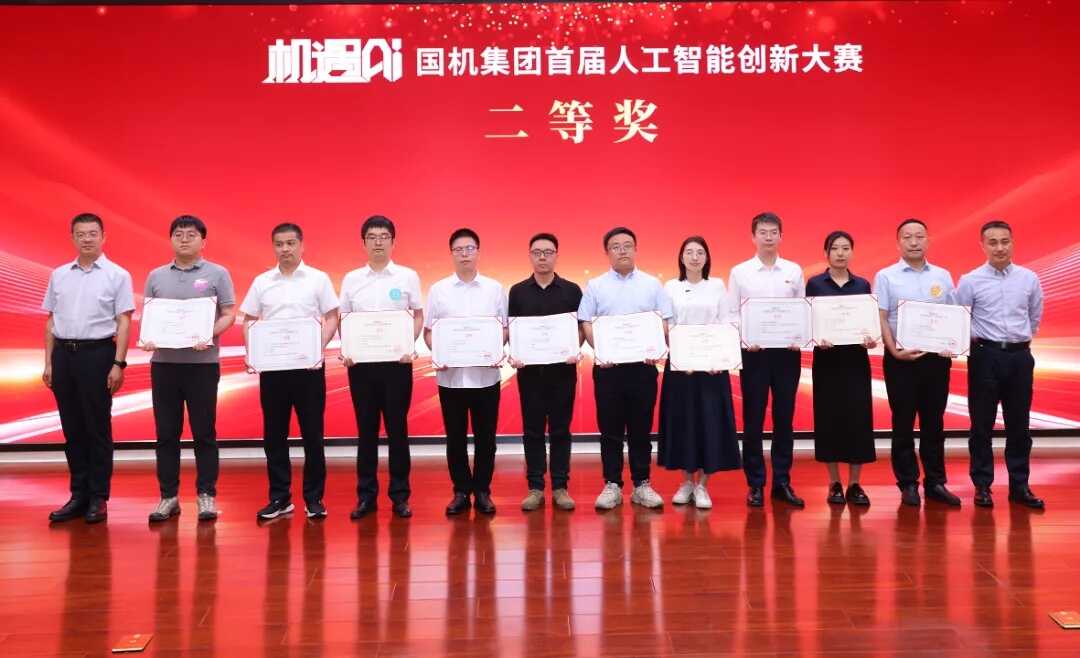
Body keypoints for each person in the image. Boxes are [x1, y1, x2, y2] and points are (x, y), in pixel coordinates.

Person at [239, 222, 339, 520]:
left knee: (313, 434)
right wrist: (253, 352)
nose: (285, 249)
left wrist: (317, 346)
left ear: (301, 245)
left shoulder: (318, 279)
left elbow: (332, 316)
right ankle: (280, 498)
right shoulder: (262, 282)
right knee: (274, 435)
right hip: (273, 369)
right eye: (279, 244)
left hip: (308, 368)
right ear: (274, 247)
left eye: (291, 243)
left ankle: (314, 498)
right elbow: (249, 319)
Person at [42, 212, 135, 524]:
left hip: (97, 354)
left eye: (92, 233)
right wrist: (48, 362)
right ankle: (78, 495)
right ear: (72, 238)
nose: (87, 239)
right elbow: (51, 320)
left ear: (103, 237)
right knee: (72, 429)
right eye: (80, 234)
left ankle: (98, 496)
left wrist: (118, 363)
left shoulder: (117, 275)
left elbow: (124, 322)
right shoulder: (59, 275)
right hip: (63, 356)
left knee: (97, 428)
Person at [144, 215, 236, 523]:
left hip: (202, 366)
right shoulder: (156, 276)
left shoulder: (217, 273)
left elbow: (228, 313)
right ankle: (168, 497)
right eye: (179, 234)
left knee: (204, 432)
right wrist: (149, 337)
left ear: (203, 241)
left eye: (191, 234)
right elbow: (152, 316)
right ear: (171, 239)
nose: (184, 239)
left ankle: (206, 495)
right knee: (166, 434)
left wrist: (209, 333)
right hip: (164, 365)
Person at [578, 226, 673, 511]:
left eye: (627, 245)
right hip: (609, 369)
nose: (622, 251)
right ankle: (612, 484)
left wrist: (655, 347)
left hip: (643, 368)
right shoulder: (595, 286)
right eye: (616, 246)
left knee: (641, 429)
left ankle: (642, 484)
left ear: (635, 249)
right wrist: (602, 350)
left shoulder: (652, 285)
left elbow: (665, 321)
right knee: (610, 430)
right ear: (607, 252)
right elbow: (586, 322)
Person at [955, 220, 1045, 509]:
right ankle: (982, 486)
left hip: (1020, 358)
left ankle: (1020, 486)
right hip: (985, 356)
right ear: (982, 246)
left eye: (1005, 241)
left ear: (1012, 243)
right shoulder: (970, 281)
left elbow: (1034, 316)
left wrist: (1017, 341)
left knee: (1019, 425)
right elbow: (961, 319)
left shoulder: (1029, 278)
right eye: (993, 242)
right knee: (981, 424)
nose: (1000, 248)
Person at [339, 215, 423, 520]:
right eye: (372, 237)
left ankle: (400, 496)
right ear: (363, 243)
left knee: (398, 429)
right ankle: (366, 496)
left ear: (393, 242)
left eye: (384, 236)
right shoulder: (351, 279)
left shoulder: (407, 276)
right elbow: (344, 318)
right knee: (366, 431)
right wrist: (348, 349)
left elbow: (417, 315)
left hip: (396, 365)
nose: (378, 242)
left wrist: (408, 345)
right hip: (361, 366)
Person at [874, 218, 960, 507]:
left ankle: (935, 482)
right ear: (898, 242)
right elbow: (881, 316)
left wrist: (952, 344)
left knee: (934, 422)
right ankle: (908, 483)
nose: (914, 242)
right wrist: (893, 350)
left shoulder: (943, 276)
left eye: (919, 236)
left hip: (936, 361)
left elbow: (953, 315)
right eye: (907, 237)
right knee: (903, 422)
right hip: (901, 360)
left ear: (928, 240)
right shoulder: (886, 276)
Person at [424, 228, 508, 516]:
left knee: (486, 438)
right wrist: (439, 352)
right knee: (455, 438)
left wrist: (495, 349)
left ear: (478, 252)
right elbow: (429, 331)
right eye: (459, 249)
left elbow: (504, 328)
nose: (464, 254)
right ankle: (460, 491)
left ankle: (482, 490)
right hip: (451, 378)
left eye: (469, 248)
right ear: (452, 254)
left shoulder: (494, 289)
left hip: (486, 377)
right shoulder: (438, 290)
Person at [727, 212, 806, 508]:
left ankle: (782, 481)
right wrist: (746, 337)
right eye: (763, 232)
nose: (768, 237)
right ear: (753, 236)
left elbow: (802, 310)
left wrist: (800, 336)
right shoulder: (740, 272)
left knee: (784, 419)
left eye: (774, 232)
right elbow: (731, 314)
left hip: (787, 354)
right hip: (754, 354)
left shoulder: (794, 271)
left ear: (781, 236)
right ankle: (756, 483)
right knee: (753, 420)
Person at [659, 236, 741, 509]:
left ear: (707, 258)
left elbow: (725, 322)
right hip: (681, 367)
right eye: (689, 252)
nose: (695, 257)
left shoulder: (717, 285)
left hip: (712, 368)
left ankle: (703, 485)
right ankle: (685, 482)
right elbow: (667, 325)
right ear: (681, 257)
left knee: (710, 423)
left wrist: (720, 357)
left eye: (700, 252)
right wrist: (682, 354)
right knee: (683, 422)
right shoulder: (670, 287)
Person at [508, 233, 583, 512]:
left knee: (561, 430)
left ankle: (561, 487)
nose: (542, 257)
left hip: (563, 372)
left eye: (548, 252)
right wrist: (516, 353)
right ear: (530, 255)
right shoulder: (517, 292)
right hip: (530, 374)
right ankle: (535, 487)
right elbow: (513, 330)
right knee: (533, 431)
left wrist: (575, 348)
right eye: (537, 252)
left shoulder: (572, 291)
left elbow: (580, 328)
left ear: (556, 256)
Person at [805, 231, 876, 506]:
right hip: (827, 361)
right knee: (829, 419)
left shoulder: (862, 284)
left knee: (859, 419)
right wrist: (816, 336)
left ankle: (855, 484)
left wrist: (870, 339)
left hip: (856, 360)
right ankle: (834, 482)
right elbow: (808, 321)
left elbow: (868, 323)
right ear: (826, 253)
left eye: (846, 248)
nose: (840, 253)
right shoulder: (815, 284)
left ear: (852, 252)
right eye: (835, 248)